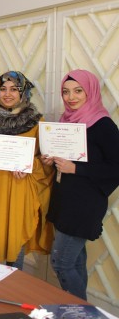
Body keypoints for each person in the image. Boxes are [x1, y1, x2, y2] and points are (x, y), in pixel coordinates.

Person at [44, 69, 119, 300]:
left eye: (78, 91)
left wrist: (76, 169)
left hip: (84, 205)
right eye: (66, 92)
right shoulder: (66, 122)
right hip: (64, 200)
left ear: (90, 92)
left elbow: (116, 168)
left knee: (61, 263)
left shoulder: (103, 125)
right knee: (75, 261)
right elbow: (65, 160)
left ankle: (79, 312)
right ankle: (79, 310)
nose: (71, 97)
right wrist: (50, 160)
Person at [0, 71, 54, 269]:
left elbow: (47, 162)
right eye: (3, 89)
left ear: (23, 92)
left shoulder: (36, 123)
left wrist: (29, 166)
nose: (7, 94)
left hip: (19, 191)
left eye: (14, 89)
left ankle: (12, 287)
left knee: (14, 249)